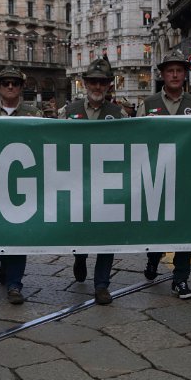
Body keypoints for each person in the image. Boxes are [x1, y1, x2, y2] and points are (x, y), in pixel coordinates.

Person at [138, 49, 191, 299]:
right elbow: (134, 139)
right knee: (158, 229)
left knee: (185, 230)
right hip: (157, 178)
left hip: (186, 179)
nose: (175, 75)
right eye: (170, 71)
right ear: (163, 75)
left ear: (185, 75)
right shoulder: (148, 104)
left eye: (179, 71)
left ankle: (181, 279)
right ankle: (153, 258)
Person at [61, 57, 127, 305]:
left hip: (108, 185)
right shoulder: (68, 112)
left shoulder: (119, 114)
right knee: (80, 231)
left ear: (109, 85)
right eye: (93, 82)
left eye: (102, 82)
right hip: (77, 184)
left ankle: (102, 284)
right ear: (85, 84)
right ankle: (80, 257)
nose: (97, 87)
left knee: (107, 235)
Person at [0, 65, 41, 304]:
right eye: (5, 83)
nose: (10, 87)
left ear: (21, 87)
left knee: (19, 233)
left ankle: (15, 284)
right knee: (0, 232)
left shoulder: (33, 113)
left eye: (14, 83)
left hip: (23, 183)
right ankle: (4, 264)